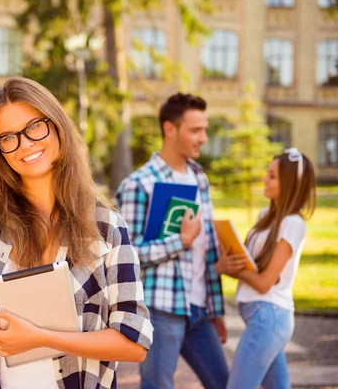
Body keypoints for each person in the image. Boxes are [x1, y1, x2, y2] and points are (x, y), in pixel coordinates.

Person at [0, 77, 153, 389]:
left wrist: (42, 338)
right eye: (8, 137)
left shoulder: (105, 224)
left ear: (57, 124)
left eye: (35, 126)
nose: (25, 144)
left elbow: (134, 342)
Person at [116, 93, 229, 389]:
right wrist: (181, 241)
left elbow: (204, 252)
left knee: (225, 382)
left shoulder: (199, 177)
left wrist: (216, 310)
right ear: (170, 129)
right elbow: (127, 257)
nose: (203, 138)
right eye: (195, 130)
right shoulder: (139, 184)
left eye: (204, 129)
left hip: (199, 309)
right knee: (157, 386)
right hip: (162, 308)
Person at [216, 148, 316, 389]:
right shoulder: (266, 216)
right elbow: (253, 263)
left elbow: (264, 282)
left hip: (269, 317)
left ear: (290, 184)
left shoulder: (293, 224)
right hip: (262, 317)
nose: (264, 179)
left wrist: (231, 269)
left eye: (272, 176)